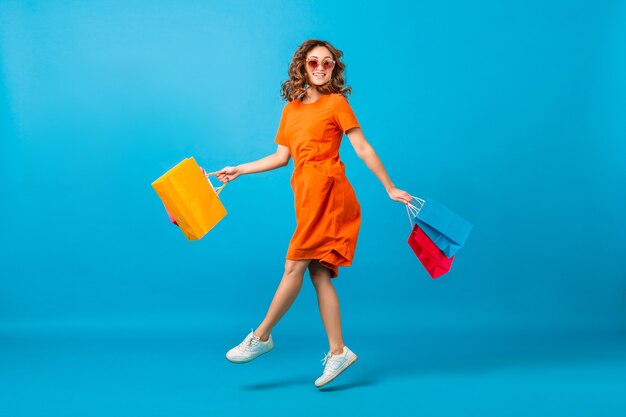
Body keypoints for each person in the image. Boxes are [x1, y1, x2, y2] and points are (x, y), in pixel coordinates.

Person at [215, 39, 412, 388]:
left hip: (330, 195)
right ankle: (338, 352)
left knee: (294, 265)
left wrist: (389, 187)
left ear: (334, 68)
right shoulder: (291, 109)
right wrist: (239, 169)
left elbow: (362, 147)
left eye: (327, 63)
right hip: (305, 194)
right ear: (302, 68)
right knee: (319, 275)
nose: (321, 67)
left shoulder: (337, 103)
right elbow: (280, 157)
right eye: (313, 63)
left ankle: (261, 337)